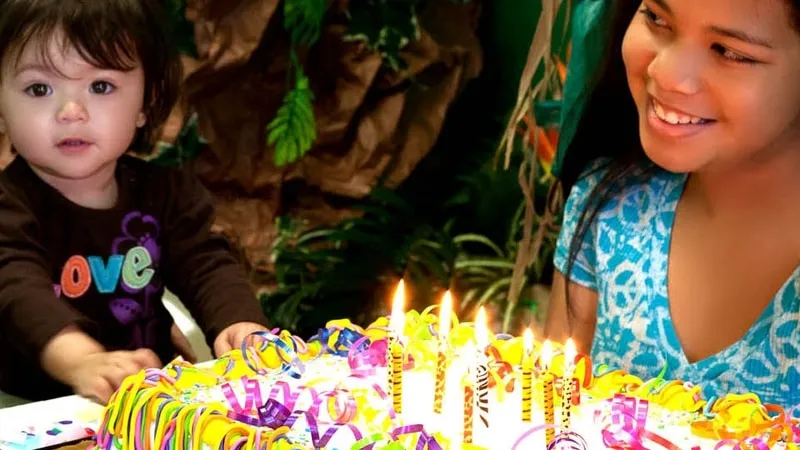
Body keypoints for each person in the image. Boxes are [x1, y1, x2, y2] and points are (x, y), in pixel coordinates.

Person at [0, 0, 270, 404]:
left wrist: (241, 325)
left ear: (147, 101)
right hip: (29, 412)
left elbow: (206, 264)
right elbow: (15, 289)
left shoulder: (167, 194)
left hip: (149, 403)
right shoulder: (8, 205)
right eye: (40, 88)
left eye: (101, 86)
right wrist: (82, 362)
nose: (71, 111)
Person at [545, 0, 800, 408]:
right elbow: (547, 417)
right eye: (656, 19)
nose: (665, 73)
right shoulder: (611, 206)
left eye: (728, 52)